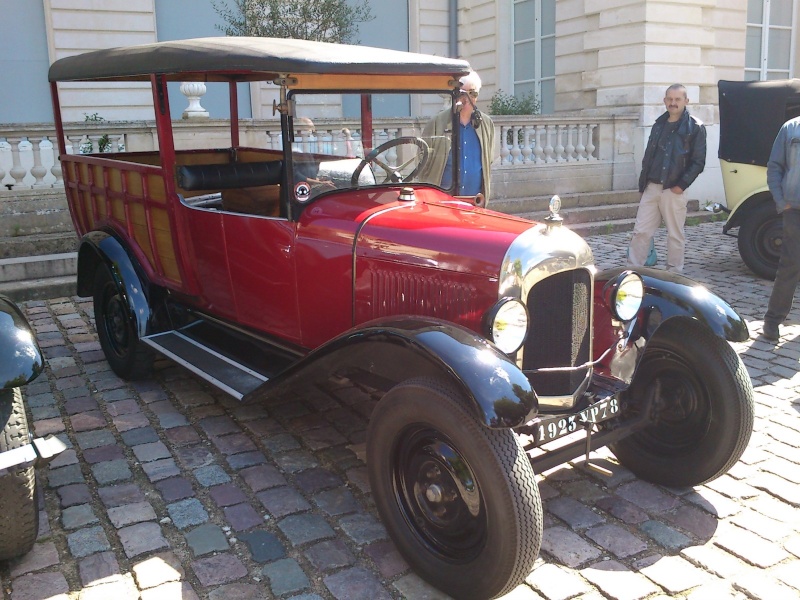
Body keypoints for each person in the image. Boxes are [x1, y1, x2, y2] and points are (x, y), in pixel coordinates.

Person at [627, 84, 707, 273]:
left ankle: (674, 274)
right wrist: (643, 184)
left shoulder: (695, 127)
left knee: (675, 235)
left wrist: (680, 186)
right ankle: (632, 272)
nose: (673, 103)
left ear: (686, 101)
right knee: (641, 232)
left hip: (673, 189)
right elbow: (649, 157)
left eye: (677, 99)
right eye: (670, 99)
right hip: (652, 187)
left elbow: (698, 162)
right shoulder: (659, 124)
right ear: (665, 101)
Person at [421, 70, 495, 203]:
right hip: (443, 203)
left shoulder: (486, 124)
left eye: (472, 93)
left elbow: (488, 160)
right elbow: (423, 165)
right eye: (461, 93)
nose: (466, 100)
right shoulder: (437, 123)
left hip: (475, 203)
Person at [761, 116, 800, 341]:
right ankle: (773, 320)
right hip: (794, 209)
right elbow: (774, 167)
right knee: (790, 267)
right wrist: (780, 201)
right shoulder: (790, 128)